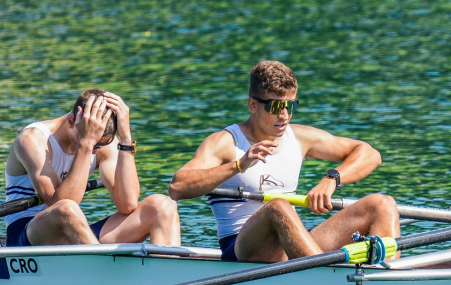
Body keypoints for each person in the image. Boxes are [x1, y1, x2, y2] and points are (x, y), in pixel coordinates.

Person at [168, 60, 399, 262]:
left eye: (290, 106)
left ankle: (387, 278)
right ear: (252, 105)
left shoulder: (299, 138)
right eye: (277, 106)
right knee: (278, 206)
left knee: (382, 204)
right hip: (242, 247)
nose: (284, 116)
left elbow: (370, 154)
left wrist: (332, 178)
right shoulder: (226, 143)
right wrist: (238, 165)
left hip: (291, 244)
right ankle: (321, 278)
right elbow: (177, 187)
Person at [4, 89, 181, 247]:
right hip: (27, 236)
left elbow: (127, 204)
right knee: (67, 209)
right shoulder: (32, 140)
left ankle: (170, 275)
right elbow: (60, 204)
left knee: (162, 206)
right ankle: (102, 272)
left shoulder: (103, 141)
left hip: (76, 232)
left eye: (99, 146)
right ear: (72, 121)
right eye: (92, 143)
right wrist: (86, 144)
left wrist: (126, 138)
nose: (96, 150)